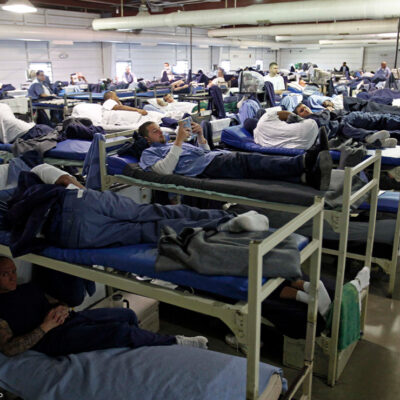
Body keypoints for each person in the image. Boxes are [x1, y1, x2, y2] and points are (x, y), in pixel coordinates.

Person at [0, 257, 208, 357]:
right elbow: (9, 348)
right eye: (5, 274)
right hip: (52, 338)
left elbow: (56, 302)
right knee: (119, 331)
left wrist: (61, 308)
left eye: (13, 271)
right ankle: (176, 342)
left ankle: (138, 349)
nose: (12, 277)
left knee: (127, 315)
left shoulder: (28, 287)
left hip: (70, 320)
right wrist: (46, 326)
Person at [138, 120, 332, 191]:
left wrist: (200, 136)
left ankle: (308, 177)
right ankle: (304, 160)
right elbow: (164, 170)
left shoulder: (171, 144)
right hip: (208, 167)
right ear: (147, 139)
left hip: (212, 159)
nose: (160, 132)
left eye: (159, 129)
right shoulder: (149, 153)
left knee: (254, 168)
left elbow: (205, 152)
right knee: (249, 160)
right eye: (155, 132)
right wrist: (179, 141)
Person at [294, 103, 398, 147]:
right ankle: (376, 140)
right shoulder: (309, 121)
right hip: (342, 125)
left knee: (378, 120)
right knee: (377, 123)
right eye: (301, 111)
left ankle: (370, 137)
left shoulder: (318, 113)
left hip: (346, 120)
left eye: (305, 107)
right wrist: (327, 111)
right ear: (299, 116)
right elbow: (323, 121)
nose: (305, 110)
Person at [251, 108, 319, 150]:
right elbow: (289, 115)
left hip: (305, 145)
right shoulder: (265, 118)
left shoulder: (258, 140)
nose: (306, 110)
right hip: (310, 129)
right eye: (302, 110)